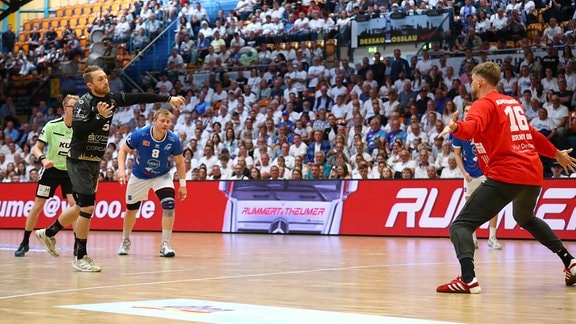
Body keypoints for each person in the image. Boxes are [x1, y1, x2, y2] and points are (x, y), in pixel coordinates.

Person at [436, 62, 576, 294]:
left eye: (471, 80)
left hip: (508, 174)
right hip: (532, 175)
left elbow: (470, 128)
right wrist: (555, 153)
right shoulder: (512, 103)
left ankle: (468, 279)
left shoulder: (484, 103)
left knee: (461, 225)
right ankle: (569, 261)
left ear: (480, 82)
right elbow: (531, 134)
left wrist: (455, 128)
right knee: (525, 218)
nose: (470, 84)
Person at [34, 65, 184, 272]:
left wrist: (168, 99)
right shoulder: (82, 104)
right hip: (79, 160)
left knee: (80, 206)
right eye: (100, 79)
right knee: (87, 208)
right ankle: (80, 256)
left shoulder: (111, 99)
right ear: (90, 85)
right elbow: (78, 130)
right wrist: (100, 117)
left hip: (94, 160)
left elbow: (137, 97)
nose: (106, 82)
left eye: (106, 78)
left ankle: (48, 233)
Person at [116, 108, 187, 257]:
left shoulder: (173, 140)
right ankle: (125, 240)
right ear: (154, 121)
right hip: (139, 175)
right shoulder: (140, 134)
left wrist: (183, 185)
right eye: (162, 121)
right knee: (131, 210)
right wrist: (121, 170)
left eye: (168, 121)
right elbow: (122, 151)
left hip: (161, 176)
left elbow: (180, 163)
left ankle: (165, 244)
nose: (165, 124)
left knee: (169, 205)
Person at [14, 95, 78, 257]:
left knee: (75, 206)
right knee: (37, 206)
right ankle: (25, 242)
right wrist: (43, 159)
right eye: (73, 106)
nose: (76, 109)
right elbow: (36, 147)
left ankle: (78, 244)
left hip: (71, 172)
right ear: (65, 108)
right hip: (52, 171)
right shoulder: (52, 126)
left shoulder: (80, 127)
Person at [452, 104, 502, 251]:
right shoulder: (458, 131)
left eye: (470, 110)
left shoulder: (483, 127)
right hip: (469, 174)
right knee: (470, 208)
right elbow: (456, 154)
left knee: (492, 205)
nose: (468, 112)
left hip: (486, 172)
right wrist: (463, 172)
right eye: (466, 110)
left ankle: (492, 237)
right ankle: (473, 238)